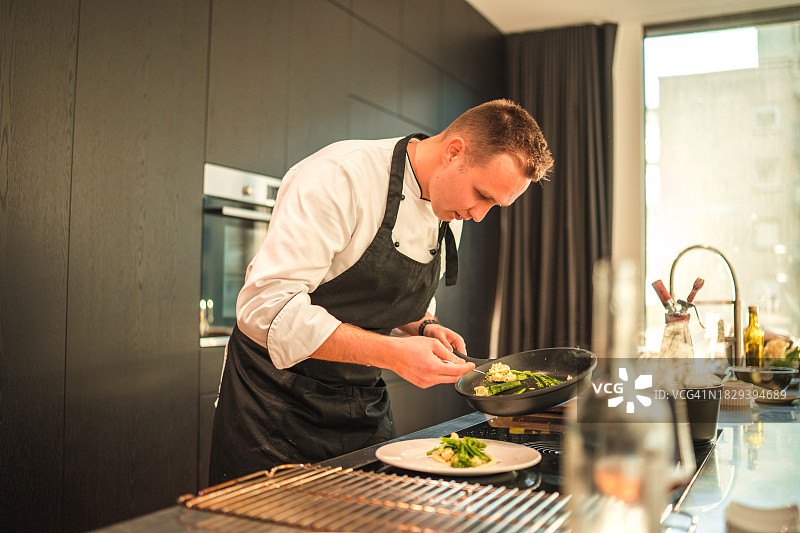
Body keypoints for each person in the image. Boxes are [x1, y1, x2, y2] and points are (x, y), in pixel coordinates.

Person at [209, 99, 553, 484]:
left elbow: (382, 295)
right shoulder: (340, 176)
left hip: (362, 405)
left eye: (495, 205)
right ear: (454, 151)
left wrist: (423, 327)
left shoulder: (451, 208)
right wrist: (393, 353)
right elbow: (265, 309)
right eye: (482, 195)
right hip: (273, 409)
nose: (479, 215)